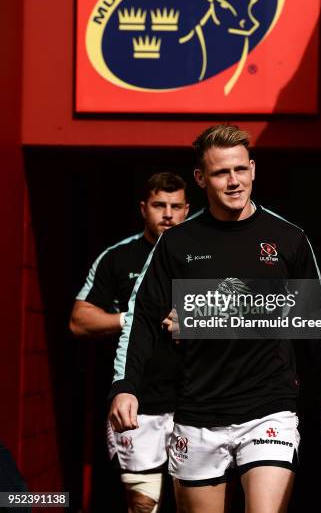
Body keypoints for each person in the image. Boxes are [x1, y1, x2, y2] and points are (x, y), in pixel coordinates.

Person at [108, 126, 321, 513]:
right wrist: (125, 386)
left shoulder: (288, 239)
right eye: (222, 173)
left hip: (270, 409)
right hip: (198, 414)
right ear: (201, 178)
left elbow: (317, 323)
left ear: (253, 169)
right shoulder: (177, 244)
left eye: (241, 169)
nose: (234, 181)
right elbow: (141, 320)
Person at [70, 172, 189, 513]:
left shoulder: (206, 255)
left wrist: (197, 321)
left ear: (187, 209)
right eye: (159, 205)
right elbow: (79, 320)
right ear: (143, 208)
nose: (167, 213)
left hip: (197, 400)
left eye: (175, 206)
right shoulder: (117, 258)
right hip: (140, 403)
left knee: (197, 503)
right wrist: (132, 318)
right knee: (143, 506)